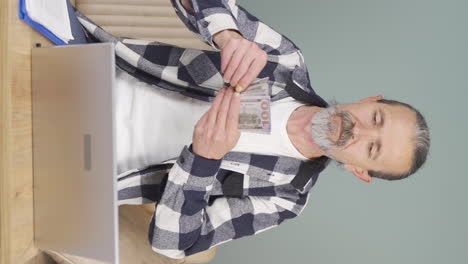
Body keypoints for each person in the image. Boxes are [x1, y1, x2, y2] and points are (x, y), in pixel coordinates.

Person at [75, 0, 430, 261]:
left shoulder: (284, 197)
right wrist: (227, 35)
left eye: (372, 149)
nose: (360, 131)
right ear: (369, 100)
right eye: (376, 118)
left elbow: (174, 243)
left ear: (358, 171)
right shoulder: (285, 65)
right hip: (83, 61)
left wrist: (203, 160)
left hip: (82, 167)